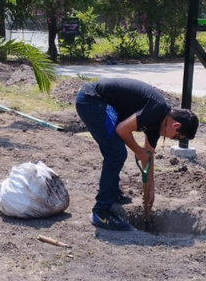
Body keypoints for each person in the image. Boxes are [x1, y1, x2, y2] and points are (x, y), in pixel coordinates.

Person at [75, 78, 199, 231]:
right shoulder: (157, 109)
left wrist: (151, 188)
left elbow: (149, 156)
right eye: (175, 136)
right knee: (116, 153)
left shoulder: (159, 122)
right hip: (92, 100)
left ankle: (112, 194)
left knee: (115, 151)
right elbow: (122, 130)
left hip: (102, 104)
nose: (170, 138)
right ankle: (101, 213)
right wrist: (138, 152)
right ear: (176, 125)